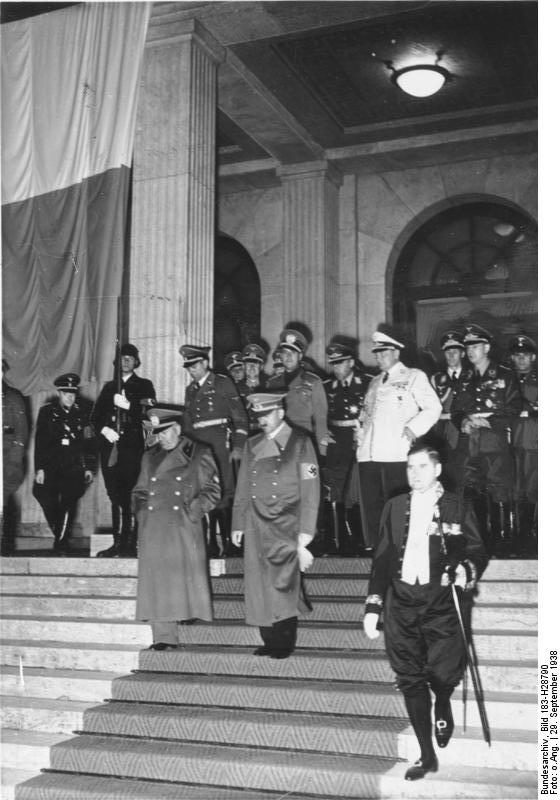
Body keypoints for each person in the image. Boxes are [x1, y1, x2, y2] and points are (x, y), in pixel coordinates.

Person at [363, 443, 487, 781]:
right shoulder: (394, 505)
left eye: (420, 467)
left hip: (441, 600)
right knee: (409, 677)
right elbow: (383, 558)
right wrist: (374, 604)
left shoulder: (456, 505)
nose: (413, 474)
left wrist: (464, 570)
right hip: (401, 600)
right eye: (409, 467)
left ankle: (443, 700)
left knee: (443, 670)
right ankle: (426, 754)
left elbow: (476, 549)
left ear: (436, 470)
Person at [232, 393, 320, 659]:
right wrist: (238, 523)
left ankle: (283, 642)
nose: (262, 421)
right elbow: (243, 487)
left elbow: (311, 488)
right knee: (258, 583)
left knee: (283, 584)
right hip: (256, 521)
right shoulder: (252, 444)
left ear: (280, 412)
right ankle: (268, 638)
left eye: (267, 415)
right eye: (258, 417)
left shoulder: (301, 443)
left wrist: (306, 529)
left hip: (286, 522)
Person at [133, 408, 221, 650]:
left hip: (181, 526)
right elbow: (139, 491)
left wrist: (193, 510)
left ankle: (183, 621)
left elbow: (213, 490)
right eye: (157, 434)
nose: (160, 438)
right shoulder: (149, 457)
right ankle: (163, 636)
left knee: (177, 580)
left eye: (164, 433)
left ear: (177, 429)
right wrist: (141, 511)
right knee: (157, 582)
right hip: (153, 528)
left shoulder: (199, 453)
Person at [356, 331, 441, 552]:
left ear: (396, 352)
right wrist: (360, 433)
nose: (378, 357)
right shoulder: (374, 382)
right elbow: (367, 413)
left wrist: (414, 428)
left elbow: (434, 408)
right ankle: (375, 548)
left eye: (383, 352)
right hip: (369, 453)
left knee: (397, 502)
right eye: (376, 353)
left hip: (396, 451)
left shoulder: (413, 376)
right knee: (372, 505)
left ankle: (399, 547)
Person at [451, 324, 522, 555]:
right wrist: (462, 421)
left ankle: (504, 541)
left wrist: (490, 422)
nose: (470, 351)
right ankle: (479, 541)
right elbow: (456, 410)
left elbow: (514, 407)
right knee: (472, 490)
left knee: (500, 490)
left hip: (494, 442)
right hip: (470, 443)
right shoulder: (465, 376)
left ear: (487, 347)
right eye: (468, 347)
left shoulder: (504, 374)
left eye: (475, 346)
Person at [180, 343, 249, 557]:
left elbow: (240, 417)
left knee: (225, 492)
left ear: (204, 363)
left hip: (220, 444)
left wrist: (238, 446)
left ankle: (230, 543)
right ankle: (210, 542)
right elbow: (188, 423)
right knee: (203, 490)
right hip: (201, 448)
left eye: (194, 365)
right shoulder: (190, 390)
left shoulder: (222, 383)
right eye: (188, 366)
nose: (191, 370)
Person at [91, 343, 156, 558]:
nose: (125, 361)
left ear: (136, 362)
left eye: (130, 358)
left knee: (132, 493)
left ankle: (132, 543)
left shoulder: (144, 385)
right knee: (114, 494)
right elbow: (95, 417)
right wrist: (104, 429)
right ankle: (118, 542)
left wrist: (130, 406)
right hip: (111, 447)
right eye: (122, 358)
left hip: (132, 448)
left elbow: (150, 414)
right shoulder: (109, 387)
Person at [33, 373, 96, 553]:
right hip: (52, 464)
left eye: (73, 393)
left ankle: (60, 543)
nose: (70, 397)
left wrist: (89, 467)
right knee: (41, 493)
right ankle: (61, 534)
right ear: (59, 393)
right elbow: (40, 443)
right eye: (66, 393)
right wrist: (40, 469)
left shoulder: (84, 411)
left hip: (74, 465)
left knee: (69, 500)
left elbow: (90, 442)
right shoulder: (47, 411)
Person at [323, 342, 373, 555]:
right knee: (335, 492)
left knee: (360, 492)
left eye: (340, 363)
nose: (336, 368)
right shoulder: (325, 387)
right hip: (336, 445)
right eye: (333, 364)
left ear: (351, 363)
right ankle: (339, 541)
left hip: (360, 443)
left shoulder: (369, 383)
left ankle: (363, 540)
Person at [267, 328, 331, 456]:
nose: (289, 356)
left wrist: (322, 451)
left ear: (300, 356)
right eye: (285, 352)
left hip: (303, 440)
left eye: (293, 352)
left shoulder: (313, 382)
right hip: (277, 441)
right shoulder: (272, 383)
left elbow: (321, 419)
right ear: (280, 355)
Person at [509, 334, 537, 555]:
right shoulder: (506, 380)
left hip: (533, 443)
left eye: (525, 355)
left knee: (532, 491)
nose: (521, 360)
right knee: (513, 491)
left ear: (533, 357)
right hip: (508, 444)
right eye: (517, 356)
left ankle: (531, 537)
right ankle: (515, 537)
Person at [430, 331, 466, 490]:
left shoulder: (472, 376)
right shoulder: (435, 379)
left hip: (466, 433)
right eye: (448, 352)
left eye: (455, 352)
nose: (451, 355)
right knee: (444, 477)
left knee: (466, 477)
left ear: (463, 353)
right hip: (443, 434)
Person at [2, 359, 30, 554]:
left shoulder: (12, 398)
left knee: (3, 500)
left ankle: (4, 543)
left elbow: (21, 432)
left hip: (6, 457)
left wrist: (14, 459)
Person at [239, 343, 269, 436]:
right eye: (248, 363)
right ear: (243, 366)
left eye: (255, 363)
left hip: (264, 433)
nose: (252, 367)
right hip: (243, 435)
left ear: (261, 367)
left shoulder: (269, 387)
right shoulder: (235, 388)